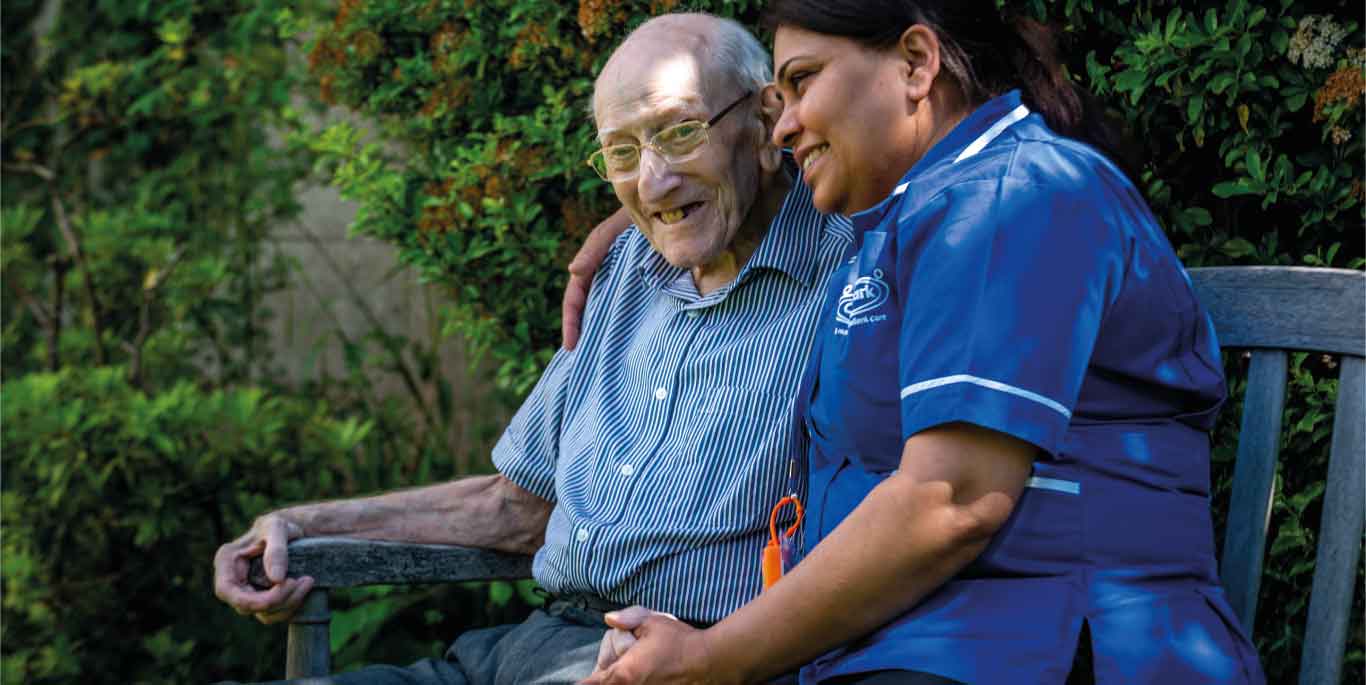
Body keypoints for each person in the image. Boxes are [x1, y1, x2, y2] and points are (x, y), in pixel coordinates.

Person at [582, 1, 1268, 683]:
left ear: (915, 63)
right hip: (917, 650)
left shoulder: (1013, 197)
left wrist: (712, 658)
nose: (784, 126)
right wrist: (643, 205)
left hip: (1043, 649)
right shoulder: (902, 221)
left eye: (803, 82)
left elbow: (952, 500)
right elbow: (742, 183)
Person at [211, 12, 854, 685]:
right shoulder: (625, 269)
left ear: (764, 120)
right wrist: (298, 523)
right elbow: (517, 506)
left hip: (676, 659)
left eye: (679, 132)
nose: (654, 180)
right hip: (522, 650)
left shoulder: (854, 268)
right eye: (623, 152)